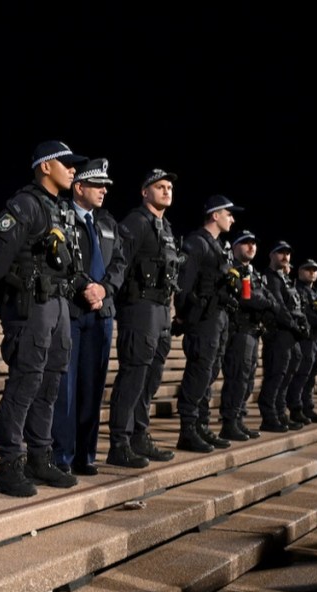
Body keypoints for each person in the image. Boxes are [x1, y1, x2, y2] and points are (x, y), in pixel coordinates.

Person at [0, 140, 87, 497]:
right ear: (46, 166)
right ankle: (9, 464)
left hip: (58, 306)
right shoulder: (24, 204)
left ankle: (39, 457)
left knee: (49, 386)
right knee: (25, 384)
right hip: (32, 307)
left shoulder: (58, 209)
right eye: (67, 163)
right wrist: (12, 310)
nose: (73, 170)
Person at [51, 158, 127, 475]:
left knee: (92, 387)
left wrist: (104, 290)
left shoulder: (108, 223)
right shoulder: (61, 216)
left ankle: (86, 454)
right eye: (97, 186)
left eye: (105, 187)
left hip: (101, 314)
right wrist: (86, 288)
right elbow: (61, 261)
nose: (103, 191)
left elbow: (120, 264)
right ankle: (62, 456)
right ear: (79, 187)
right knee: (66, 388)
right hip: (72, 310)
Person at [106, 169, 181, 465]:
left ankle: (139, 435)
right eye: (160, 186)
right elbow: (119, 264)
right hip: (139, 309)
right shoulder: (136, 223)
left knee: (150, 379)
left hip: (161, 311)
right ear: (144, 192)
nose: (166, 191)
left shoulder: (165, 226)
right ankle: (119, 443)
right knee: (133, 377)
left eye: (169, 187)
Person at [173, 194, 243, 452]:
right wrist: (183, 316)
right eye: (228, 214)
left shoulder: (218, 245)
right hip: (202, 319)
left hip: (218, 318)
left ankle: (201, 425)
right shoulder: (197, 243)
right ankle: (188, 430)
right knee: (199, 371)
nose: (232, 219)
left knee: (210, 372)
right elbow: (184, 284)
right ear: (215, 215)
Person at [217, 230, 278, 440]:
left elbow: (266, 298)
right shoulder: (231, 268)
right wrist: (263, 300)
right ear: (234, 247)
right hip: (238, 330)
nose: (251, 247)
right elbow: (248, 298)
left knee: (248, 379)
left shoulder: (254, 273)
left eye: (253, 243)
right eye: (245, 243)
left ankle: (239, 419)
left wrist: (262, 300)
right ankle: (229, 422)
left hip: (253, 331)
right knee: (237, 377)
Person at [256, 241, 309, 432]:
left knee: (286, 375)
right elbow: (279, 307)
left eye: (288, 253)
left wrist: (300, 325)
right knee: (276, 375)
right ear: (271, 255)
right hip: (278, 333)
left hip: (289, 334)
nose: (285, 256)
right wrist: (295, 325)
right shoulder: (269, 277)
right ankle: (269, 416)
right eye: (280, 253)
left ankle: (280, 414)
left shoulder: (284, 279)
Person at [290, 259, 317, 424]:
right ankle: (296, 408)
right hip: (305, 337)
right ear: (300, 271)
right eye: (308, 269)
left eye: (314, 270)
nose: (312, 272)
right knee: (303, 373)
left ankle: (307, 406)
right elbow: (304, 312)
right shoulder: (297, 289)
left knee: (314, 371)